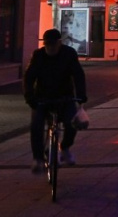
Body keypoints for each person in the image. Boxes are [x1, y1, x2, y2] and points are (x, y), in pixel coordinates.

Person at [24, 29, 87, 172]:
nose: (50, 48)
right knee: (36, 125)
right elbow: (29, 78)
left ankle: (65, 147)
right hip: (42, 98)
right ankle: (38, 159)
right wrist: (30, 97)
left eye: (53, 44)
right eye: (47, 45)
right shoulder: (38, 56)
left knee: (72, 124)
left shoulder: (69, 54)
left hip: (64, 97)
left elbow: (78, 75)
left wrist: (81, 95)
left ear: (59, 43)